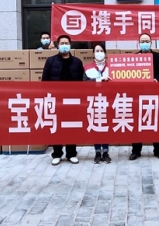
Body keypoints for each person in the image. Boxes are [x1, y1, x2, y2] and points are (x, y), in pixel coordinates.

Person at [42, 34, 84, 165]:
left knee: (71, 127)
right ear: (58, 45)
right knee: (57, 127)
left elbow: (82, 82)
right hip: (56, 100)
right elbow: (44, 81)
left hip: (73, 100)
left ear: (70, 45)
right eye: (62, 43)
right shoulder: (51, 61)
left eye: (66, 43)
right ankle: (57, 154)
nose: (64, 46)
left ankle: (71, 153)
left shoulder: (77, 62)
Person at [130, 33, 159, 160]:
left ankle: (158, 150)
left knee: (157, 122)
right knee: (137, 122)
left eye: (147, 41)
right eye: (142, 41)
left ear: (151, 43)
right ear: (138, 43)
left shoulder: (158, 57)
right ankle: (136, 150)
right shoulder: (134, 58)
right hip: (138, 96)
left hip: (155, 94)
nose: (145, 43)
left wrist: (157, 79)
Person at [83, 43, 111, 164]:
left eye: (101, 50)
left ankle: (106, 152)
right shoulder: (87, 67)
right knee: (96, 126)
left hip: (109, 101)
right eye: (97, 51)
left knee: (106, 126)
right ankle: (97, 152)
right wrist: (99, 80)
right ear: (93, 53)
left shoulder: (112, 67)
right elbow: (84, 83)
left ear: (105, 53)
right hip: (93, 101)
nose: (99, 53)